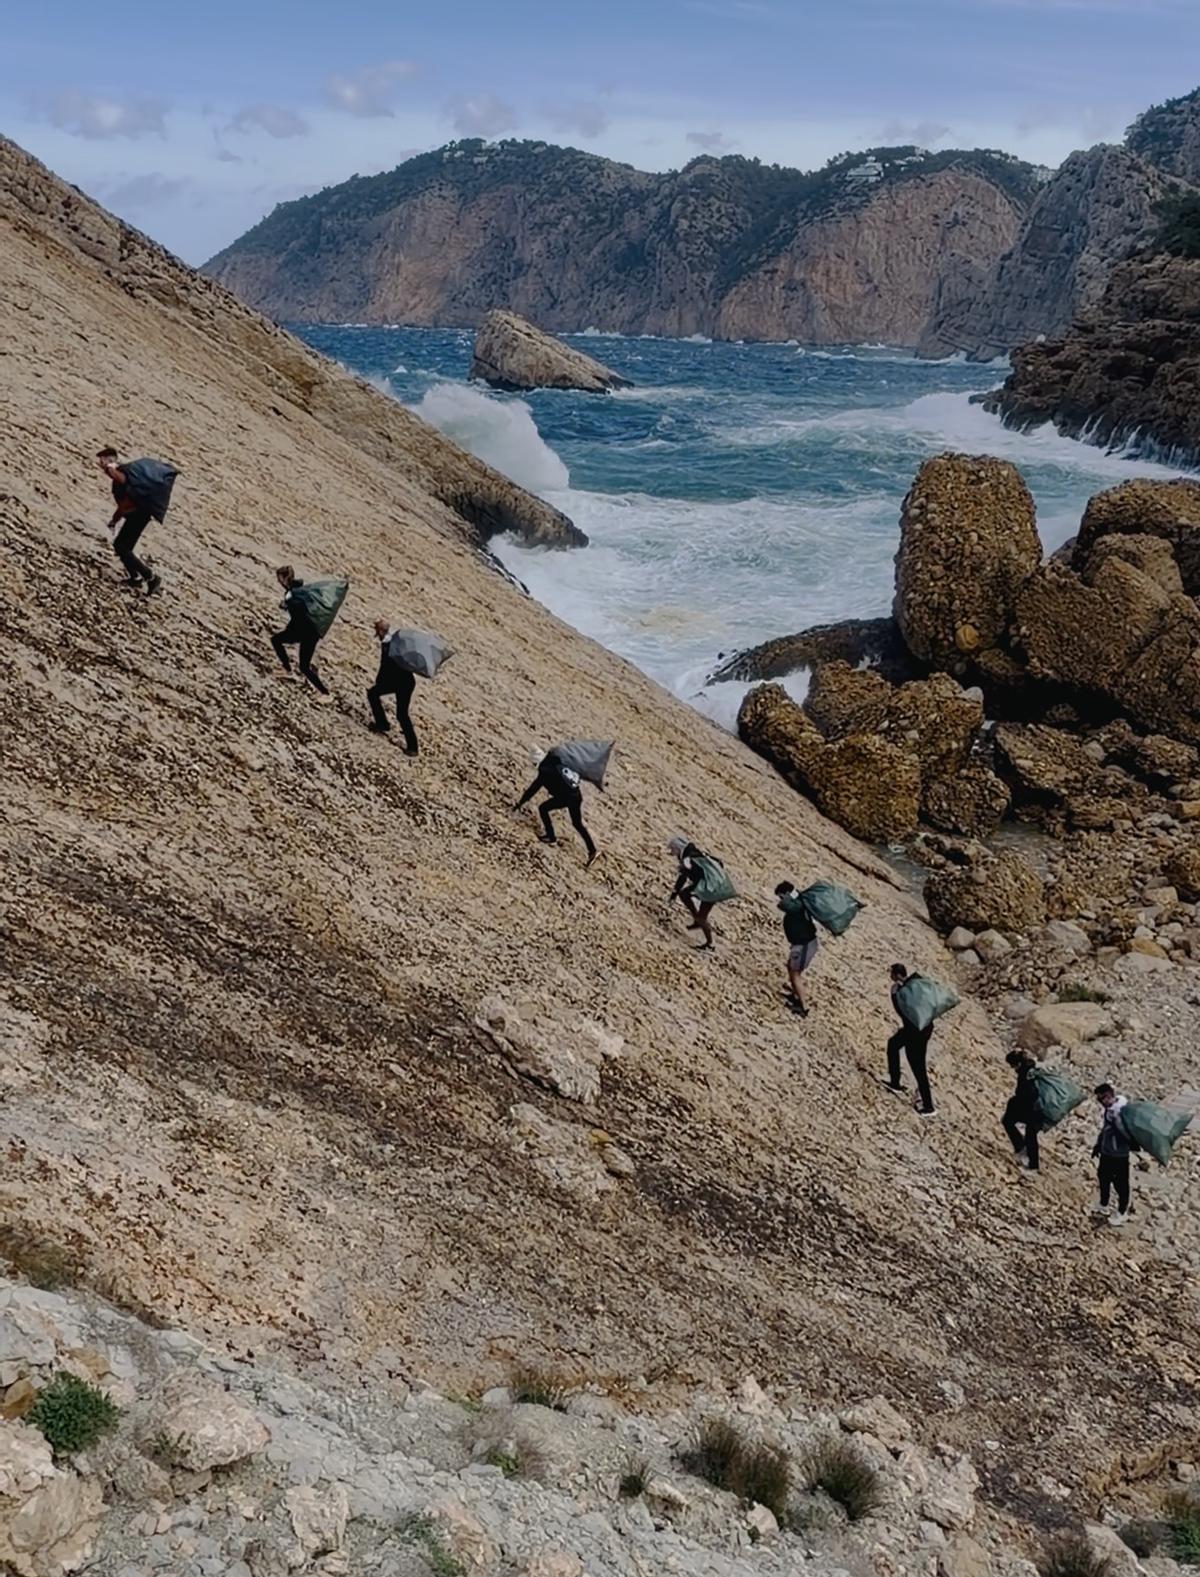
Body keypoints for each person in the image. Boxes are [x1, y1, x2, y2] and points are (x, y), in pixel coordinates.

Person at [514, 750, 597, 865]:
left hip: (567, 797)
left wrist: (520, 803)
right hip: (576, 795)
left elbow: (533, 789)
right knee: (577, 823)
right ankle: (592, 850)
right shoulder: (557, 763)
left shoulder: (545, 771)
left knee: (543, 808)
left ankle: (551, 836)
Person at [97, 447, 162, 594]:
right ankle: (136, 577)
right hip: (137, 515)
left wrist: (110, 468)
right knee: (123, 547)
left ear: (110, 459)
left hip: (138, 516)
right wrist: (114, 520)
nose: (100, 464)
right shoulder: (122, 475)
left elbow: (121, 480)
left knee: (122, 547)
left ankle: (151, 577)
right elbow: (123, 504)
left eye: (102, 460)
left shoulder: (121, 473)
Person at [885, 963, 936, 1117]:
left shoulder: (902, 991)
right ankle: (895, 1083)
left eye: (892, 973)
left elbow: (900, 1010)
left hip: (915, 1032)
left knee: (918, 1067)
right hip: (923, 1028)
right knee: (893, 1045)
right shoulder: (916, 985)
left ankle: (929, 1106)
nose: (890, 976)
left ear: (897, 975)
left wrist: (894, 994)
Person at [270, 566, 330, 697]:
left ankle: (287, 669)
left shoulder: (292, 594)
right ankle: (323, 692)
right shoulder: (300, 590)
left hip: (304, 632)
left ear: (284, 578)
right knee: (304, 666)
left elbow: (298, 613)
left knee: (276, 640)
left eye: (279, 578)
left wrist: (287, 605)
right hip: (312, 632)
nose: (278, 581)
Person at [367, 618, 419, 754]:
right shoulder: (396, 641)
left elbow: (385, 667)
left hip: (400, 683)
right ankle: (383, 725)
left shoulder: (388, 645)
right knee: (401, 713)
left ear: (380, 631)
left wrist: (380, 681)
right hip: (405, 682)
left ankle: (412, 747)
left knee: (401, 714)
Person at [1092, 1083, 1136, 1227]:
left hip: (1119, 1155)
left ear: (1111, 1095)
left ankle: (1122, 1212)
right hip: (1107, 1152)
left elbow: (1124, 1133)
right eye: (1099, 1099)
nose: (1102, 1102)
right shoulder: (1109, 1110)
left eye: (1103, 1098)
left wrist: (1132, 1144)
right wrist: (1098, 1145)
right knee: (1103, 1177)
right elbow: (1105, 1130)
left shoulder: (1118, 1112)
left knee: (1120, 1184)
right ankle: (1103, 1204)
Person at [668, 838, 721, 949]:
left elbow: (682, 878)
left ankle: (710, 943)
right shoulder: (694, 854)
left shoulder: (687, 859)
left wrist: (674, 894)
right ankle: (697, 919)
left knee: (702, 916)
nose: (671, 852)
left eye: (673, 849)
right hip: (709, 884)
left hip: (710, 888)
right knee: (685, 894)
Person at [774, 882, 818, 1016]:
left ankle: (804, 1006)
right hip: (801, 944)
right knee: (791, 967)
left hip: (804, 945)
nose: (780, 900)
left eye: (781, 896)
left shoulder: (796, 904)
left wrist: (787, 897)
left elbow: (783, 905)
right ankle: (795, 994)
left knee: (795, 973)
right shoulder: (799, 901)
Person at [1002, 1050, 1044, 1171]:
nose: (1012, 1068)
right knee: (1030, 1134)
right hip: (1034, 1108)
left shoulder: (1025, 1074)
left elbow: (1027, 1094)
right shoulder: (1029, 1070)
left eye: (1012, 1065)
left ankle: (1032, 1164)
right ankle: (1028, 1157)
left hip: (1032, 1109)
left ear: (1018, 1064)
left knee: (1027, 1133)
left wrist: (1015, 1102)